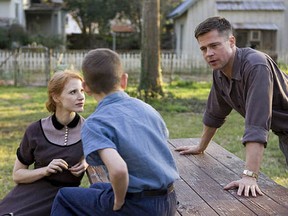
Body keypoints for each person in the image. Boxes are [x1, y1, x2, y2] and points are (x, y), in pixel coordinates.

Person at [50, 48, 179, 216]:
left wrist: (118, 202)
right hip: (168, 199)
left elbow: (118, 170)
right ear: (124, 80)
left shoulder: (96, 123)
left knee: (64, 197)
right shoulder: (147, 109)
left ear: (85, 87)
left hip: (138, 206)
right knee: (97, 187)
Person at [175, 16, 288, 197]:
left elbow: (257, 124)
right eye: (203, 49)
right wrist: (201, 146)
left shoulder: (255, 65)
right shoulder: (219, 72)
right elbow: (215, 113)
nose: (208, 53)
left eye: (214, 45)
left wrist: (249, 176)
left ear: (231, 41)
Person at [0, 70, 88, 216]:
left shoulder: (90, 130)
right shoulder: (35, 131)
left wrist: (87, 160)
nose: (81, 97)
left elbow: (106, 154)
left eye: (82, 91)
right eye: (73, 92)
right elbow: (17, 175)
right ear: (56, 97)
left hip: (64, 197)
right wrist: (46, 170)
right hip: (30, 192)